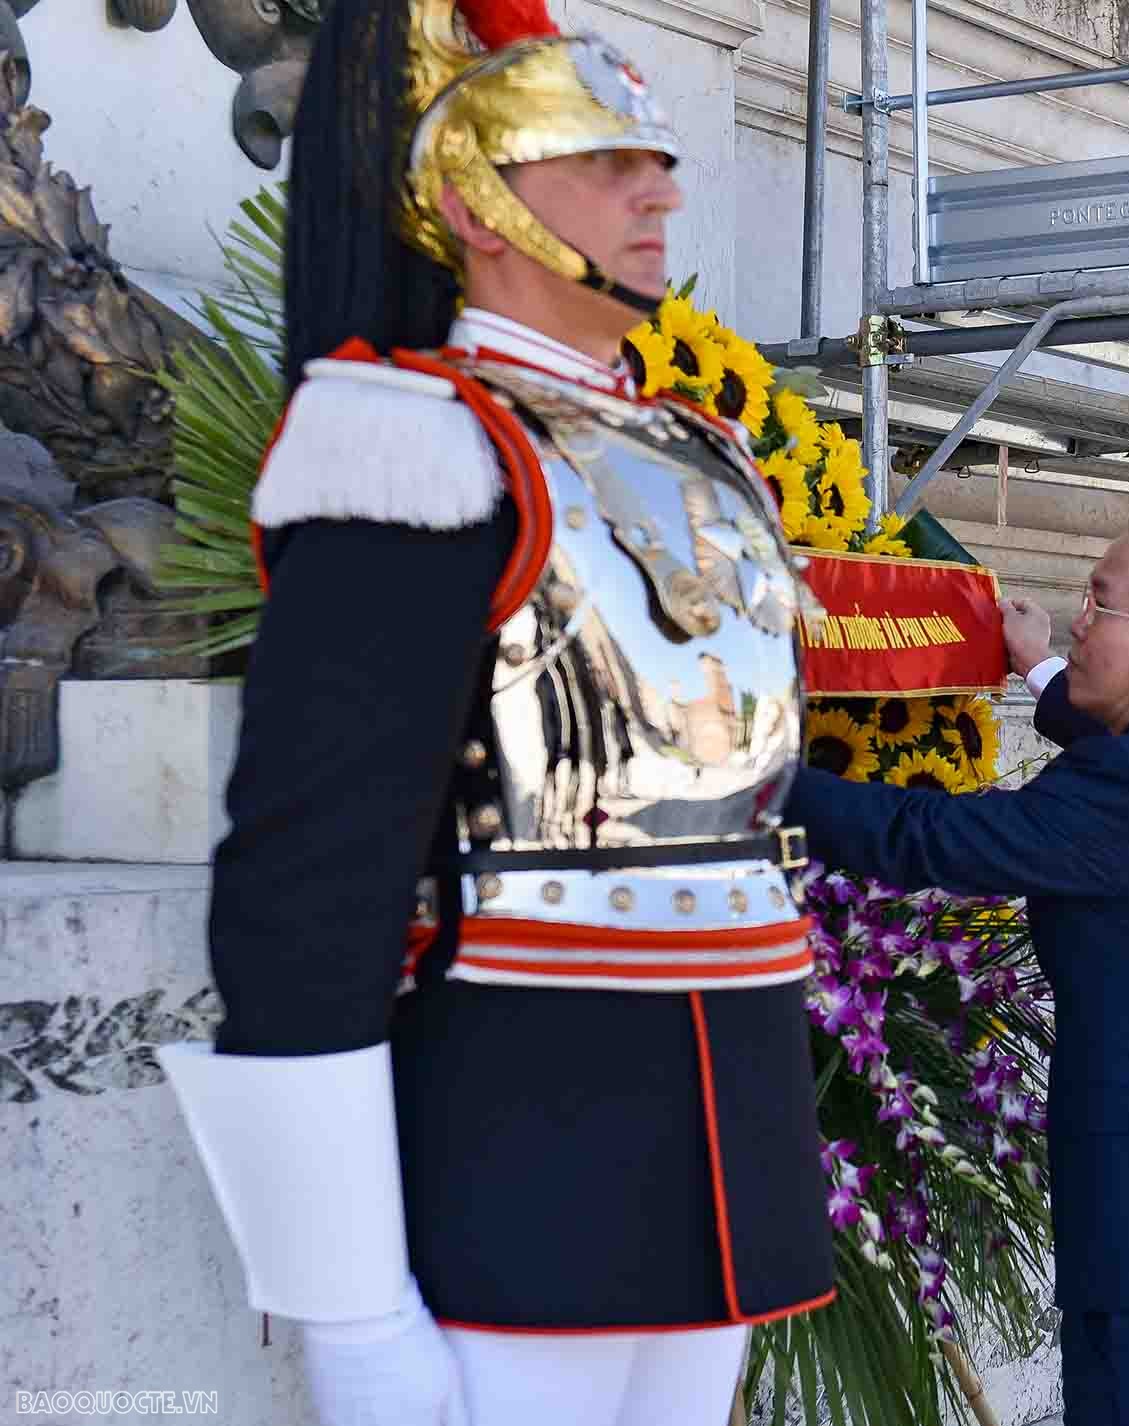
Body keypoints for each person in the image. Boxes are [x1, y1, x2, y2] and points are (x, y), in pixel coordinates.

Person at [158, 0, 833, 1421]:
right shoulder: (411, 441)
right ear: (474, 200)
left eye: (658, 156)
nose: (660, 185)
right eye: (604, 157)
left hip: (724, 1138)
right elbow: (307, 892)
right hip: (528, 1157)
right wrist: (351, 1305)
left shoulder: (703, 454)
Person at [783, 502, 1129, 1426]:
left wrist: (746, 772)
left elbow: (921, 836)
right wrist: (1040, 665)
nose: (1080, 617)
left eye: (1101, 601)